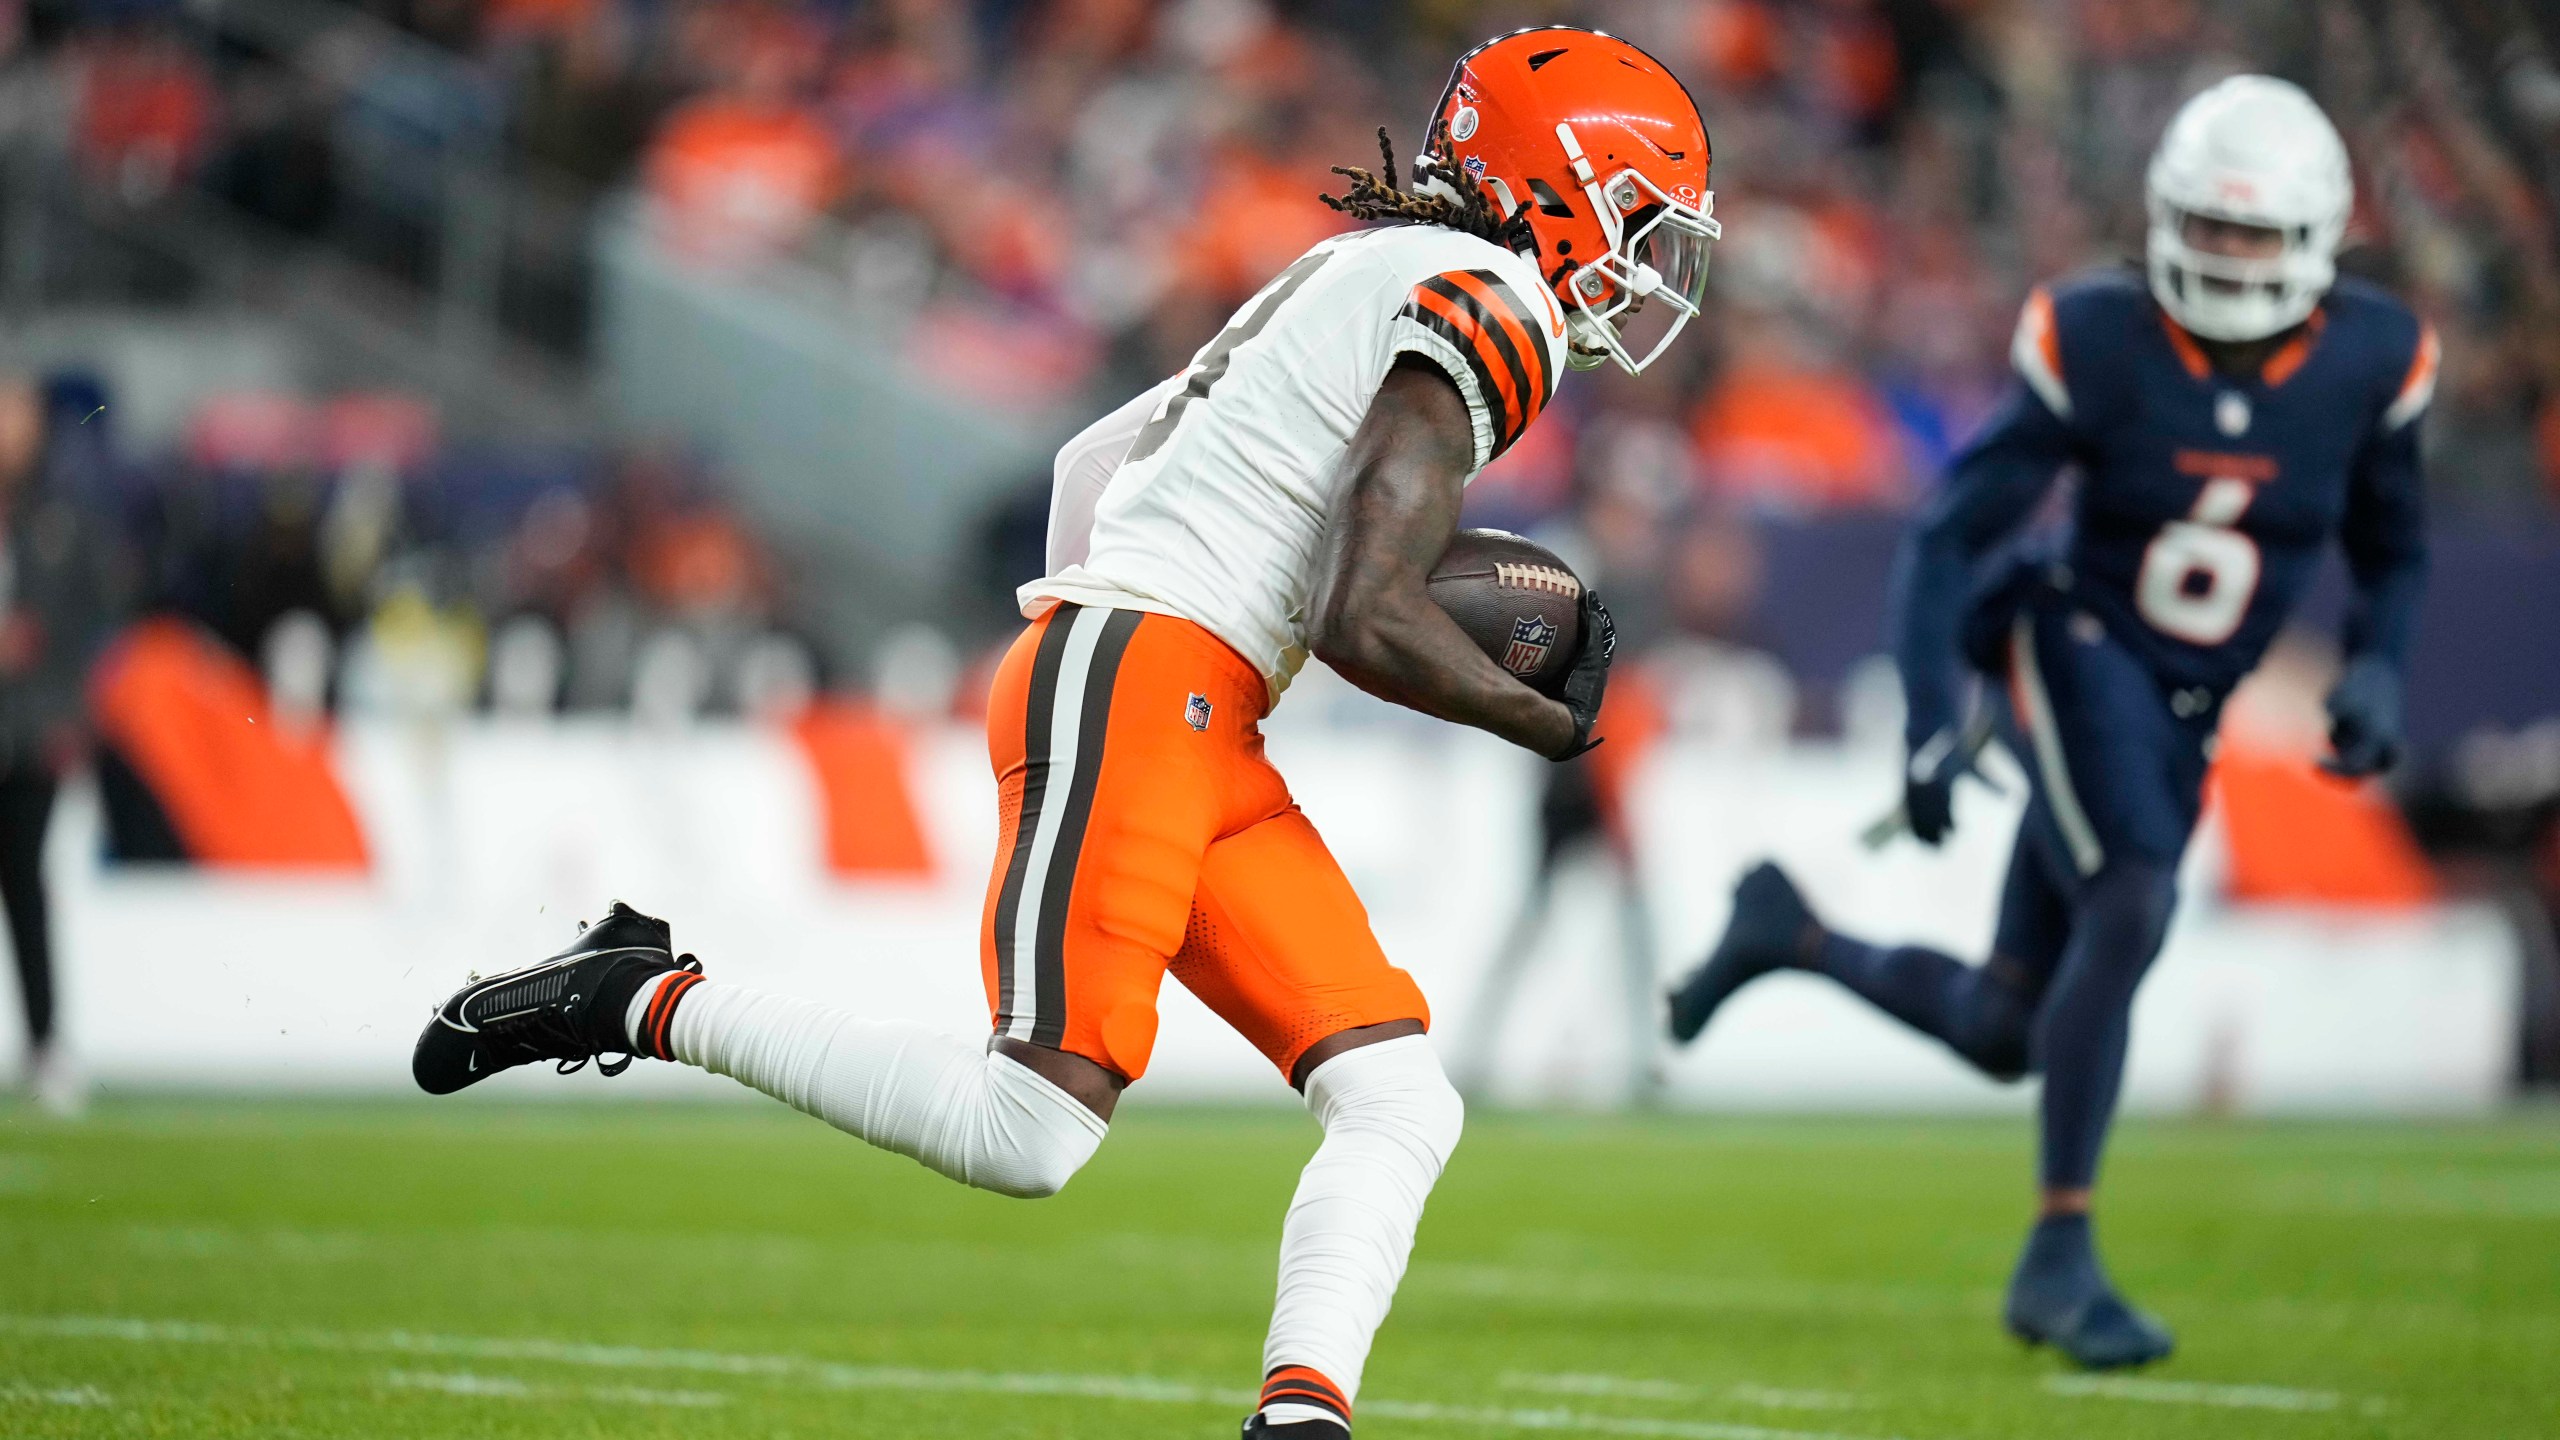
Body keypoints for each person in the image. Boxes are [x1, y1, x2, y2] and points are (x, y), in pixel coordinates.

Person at [412, 28, 1720, 1440]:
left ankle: (1302, 1416)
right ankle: (638, 995)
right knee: (1028, 1127)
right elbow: (1362, 612)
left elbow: (1095, 459)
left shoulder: (1366, 270)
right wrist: (1537, 718)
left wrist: (1115, 621)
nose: (1645, 266)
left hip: (1176, 692)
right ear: (1563, 188)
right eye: (1642, 221)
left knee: (1401, 1094)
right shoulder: (1495, 302)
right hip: (1155, 682)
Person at [1666, 76, 2430, 1370]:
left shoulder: (2369, 356)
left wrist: (2379, 668)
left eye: (2254, 235)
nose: (2228, 258)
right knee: (2134, 896)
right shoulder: (2103, 334)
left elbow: (2395, 547)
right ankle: (2061, 1253)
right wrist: (1927, 714)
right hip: (2068, 642)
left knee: (2008, 1030)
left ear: (2313, 236)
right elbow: (1951, 535)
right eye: (2212, 227)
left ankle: (1784, 929)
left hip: (2183, 702)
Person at [0, 374, 127, 1115]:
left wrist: (70, 716)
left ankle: (46, 1043)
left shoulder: (60, 521)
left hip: (28, 733)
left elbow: (91, 630)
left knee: (25, 886)